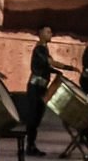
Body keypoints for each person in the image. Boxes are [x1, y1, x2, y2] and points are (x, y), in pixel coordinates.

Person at [23, 27, 56, 157]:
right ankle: (30, 146)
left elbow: (46, 66)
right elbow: (50, 63)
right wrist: (68, 67)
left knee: (37, 118)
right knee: (33, 118)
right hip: (35, 87)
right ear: (41, 34)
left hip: (41, 87)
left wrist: (55, 71)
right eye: (48, 32)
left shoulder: (44, 49)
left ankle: (31, 145)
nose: (51, 34)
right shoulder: (39, 49)